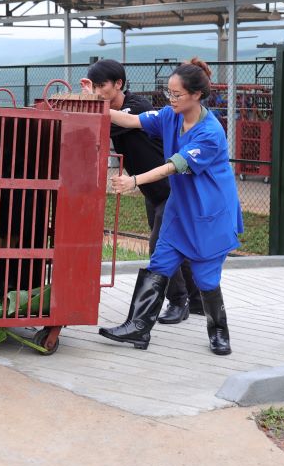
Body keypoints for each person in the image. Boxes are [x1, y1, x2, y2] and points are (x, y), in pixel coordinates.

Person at [98, 58, 242, 355]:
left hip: (209, 213)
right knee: (160, 262)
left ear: (196, 95)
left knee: (205, 278)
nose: (171, 99)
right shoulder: (170, 116)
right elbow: (132, 120)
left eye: (177, 95)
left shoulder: (210, 133)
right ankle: (137, 328)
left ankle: (219, 332)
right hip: (180, 207)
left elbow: (173, 167)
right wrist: (96, 106)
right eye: (169, 93)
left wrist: (133, 181)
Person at [80, 60, 201, 324]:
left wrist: (89, 103)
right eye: (95, 87)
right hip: (152, 191)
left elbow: (104, 125)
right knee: (178, 243)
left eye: (102, 86)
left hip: (172, 189)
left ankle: (178, 301)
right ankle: (200, 300)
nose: (98, 91)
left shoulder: (137, 107)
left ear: (118, 84)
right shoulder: (112, 109)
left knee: (159, 244)